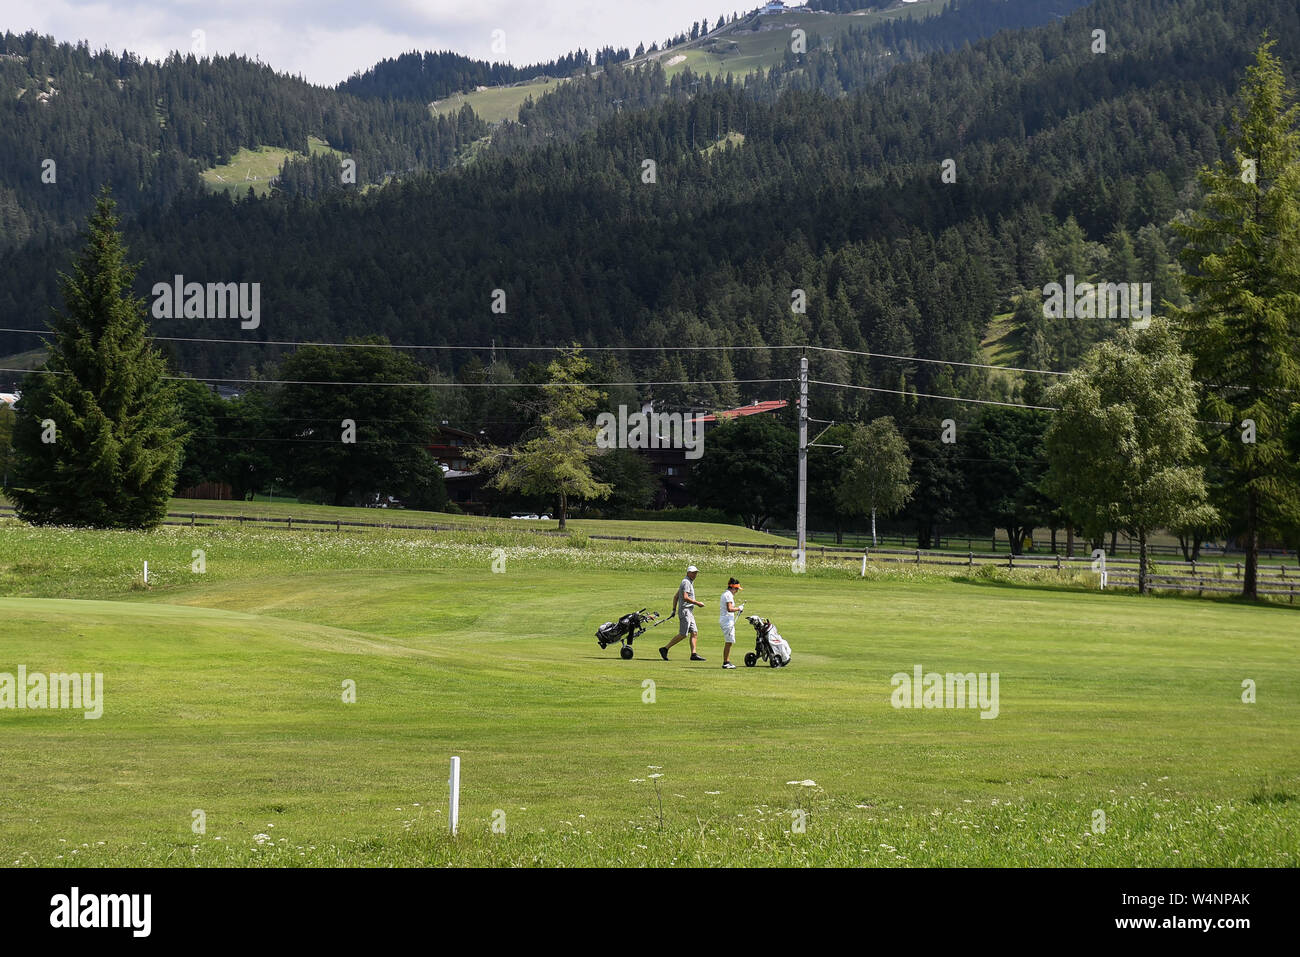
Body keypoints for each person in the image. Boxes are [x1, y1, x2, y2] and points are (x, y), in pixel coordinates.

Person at [661, 565, 707, 661]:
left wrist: (673, 610)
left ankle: (693, 654)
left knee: (694, 632)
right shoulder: (686, 582)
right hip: (685, 611)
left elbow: (676, 596)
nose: (695, 575)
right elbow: (685, 597)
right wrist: (697, 603)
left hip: (689, 611)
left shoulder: (688, 582)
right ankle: (665, 648)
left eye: (696, 573)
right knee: (683, 634)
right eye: (693, 573)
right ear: (688, 573)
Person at [718, 577, 744, 669]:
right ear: (733, 587)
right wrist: (739, 608)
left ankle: (727, 661)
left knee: (729, 642)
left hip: (726, 620)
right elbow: (729, 609)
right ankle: (726, 662)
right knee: (729, 642)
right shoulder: (728, 595)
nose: (737, 591)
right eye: (736, 589)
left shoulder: (726, 594)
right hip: (727, 621)